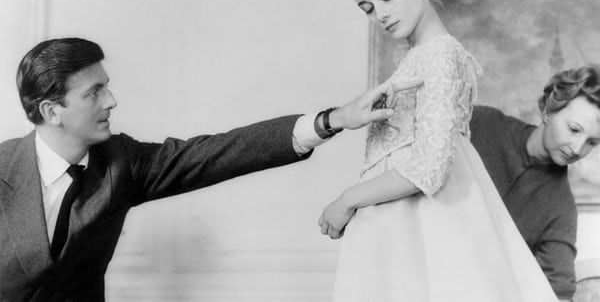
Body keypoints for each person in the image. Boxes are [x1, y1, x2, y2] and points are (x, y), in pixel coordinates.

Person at [0, 37, 421, 302]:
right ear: (52, 111)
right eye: (94, 92)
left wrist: (333, 120)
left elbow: (219, 152)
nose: (112, 101)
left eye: (107, 86)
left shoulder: (121, 163)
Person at [318, 0, 558, 301]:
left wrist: (347, 200)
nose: (379, 13)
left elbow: (428, 169)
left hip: (430, 225)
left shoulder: (441, 56)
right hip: (396, 230)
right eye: (367, 7)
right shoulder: (418, 58)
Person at [470, 65, 600, 301]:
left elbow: (559, 292)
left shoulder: (561, 210)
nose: (578, 148)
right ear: (550, 110)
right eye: (573, 129)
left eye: (592, 142)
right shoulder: (481, 123)